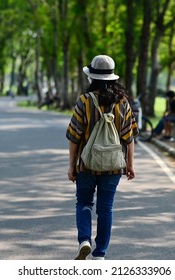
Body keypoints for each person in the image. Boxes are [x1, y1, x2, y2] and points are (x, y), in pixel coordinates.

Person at [66, 55, 138, 260]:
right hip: (113, 166)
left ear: (92, 78)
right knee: (106, 208)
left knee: (84, 203)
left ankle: (84, 240)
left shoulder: (85, 101)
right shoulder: (122, 102)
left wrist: (71, 165)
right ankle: (100, 254)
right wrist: (130, 165)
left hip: (86, 164)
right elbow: (129, 136)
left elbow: (74, 136)